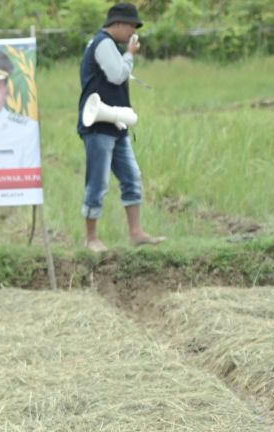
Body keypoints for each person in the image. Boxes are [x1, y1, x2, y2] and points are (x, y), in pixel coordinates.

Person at [78, 3, 164, 252]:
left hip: (114, 122)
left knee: (131, 177)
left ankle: (136, 233)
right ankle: (91, 238)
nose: (132, 32)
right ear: (117, 23)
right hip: (99, 125)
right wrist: (130, 55)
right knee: (98, 182)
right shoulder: (104, 44)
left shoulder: (102, 43)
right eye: (131, 26)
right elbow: (117, 75)